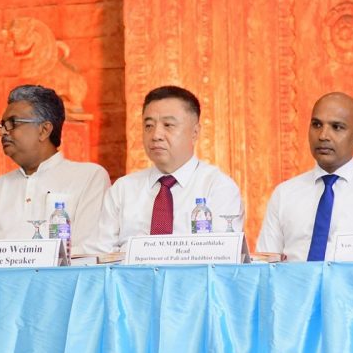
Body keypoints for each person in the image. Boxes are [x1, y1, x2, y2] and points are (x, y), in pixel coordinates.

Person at [85, 86, 242, 254]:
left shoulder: (218, 187)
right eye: (149, 126)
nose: (156, 135)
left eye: (168, 125)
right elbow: (99, 253)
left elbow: (222, 255)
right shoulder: (123, 189)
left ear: (195, 132)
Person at [254, 92, 353, 261]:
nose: (323, 136)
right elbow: (265, 264)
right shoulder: (284, 194)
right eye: (316, 124)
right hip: (294, 279)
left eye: (337, 127)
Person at [0, 85, 110, 255]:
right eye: (2, 125)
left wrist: (27, 258)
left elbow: (91, 250)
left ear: (44, 130)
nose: (3, 132)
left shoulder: (89, 178)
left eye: (12, 123)